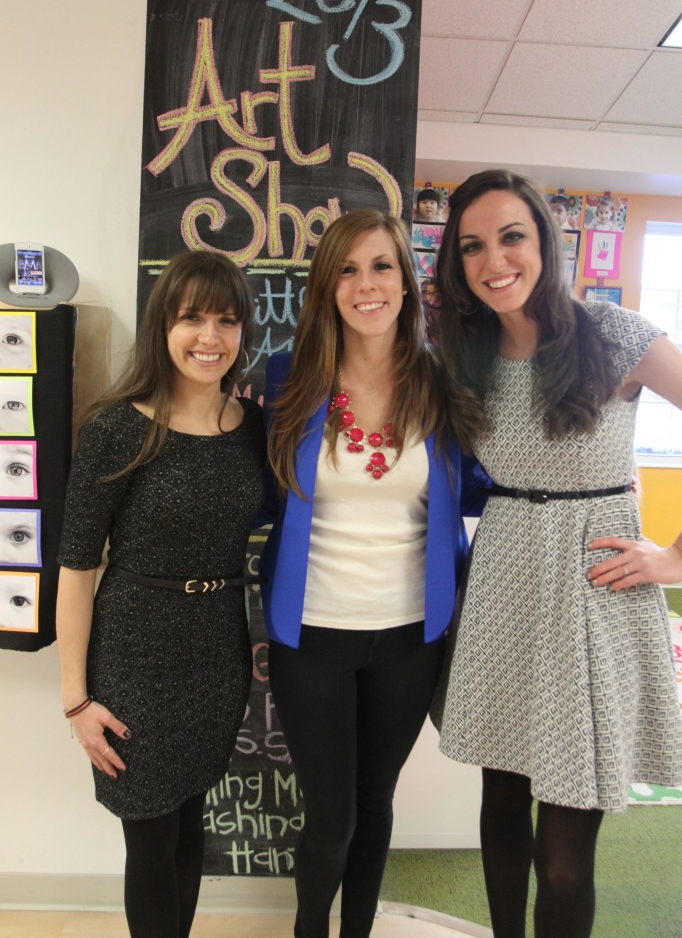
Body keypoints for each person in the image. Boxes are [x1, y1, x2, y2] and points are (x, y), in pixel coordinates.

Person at [434, 169, 682, 938]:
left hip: (594, 585)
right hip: (506, 575)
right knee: (502, 804)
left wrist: (677, 558)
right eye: (473, 246)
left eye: (512, 236)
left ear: (545, 241)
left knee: (567, 856)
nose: (494, 260)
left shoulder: (614, 334)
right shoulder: (464, 354)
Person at [261, 208, 488, 938]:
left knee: (375, 802)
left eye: (382, 266)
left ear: (407, 280)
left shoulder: (443, 383)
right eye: (348, 269)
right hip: (311, 635)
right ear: (327, 287)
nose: (367, 285)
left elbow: (489, 484)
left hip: (410, 638)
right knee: (330, 818)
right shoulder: (288, 379)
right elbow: (254, 490)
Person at [56, 251, 265, 938]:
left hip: (217, 656)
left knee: (190, 819)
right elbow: (77, 568)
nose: (210, 337)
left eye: (226, 320)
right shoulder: (116, 428)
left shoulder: (252, 428)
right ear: (163, 326)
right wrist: (76, 699)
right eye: (192, 318)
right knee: (149, 838)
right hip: (134, 661)